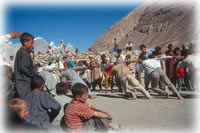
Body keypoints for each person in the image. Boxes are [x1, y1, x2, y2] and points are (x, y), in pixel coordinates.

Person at [14, 32, 36, 99]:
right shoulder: (24, 53)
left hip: (21, 82)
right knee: (26, 102)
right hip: (24, 83)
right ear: (25, 42)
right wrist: (33, 74)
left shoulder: (21, 52)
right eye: (31, 43)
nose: (33, 45)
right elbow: (23, 68)